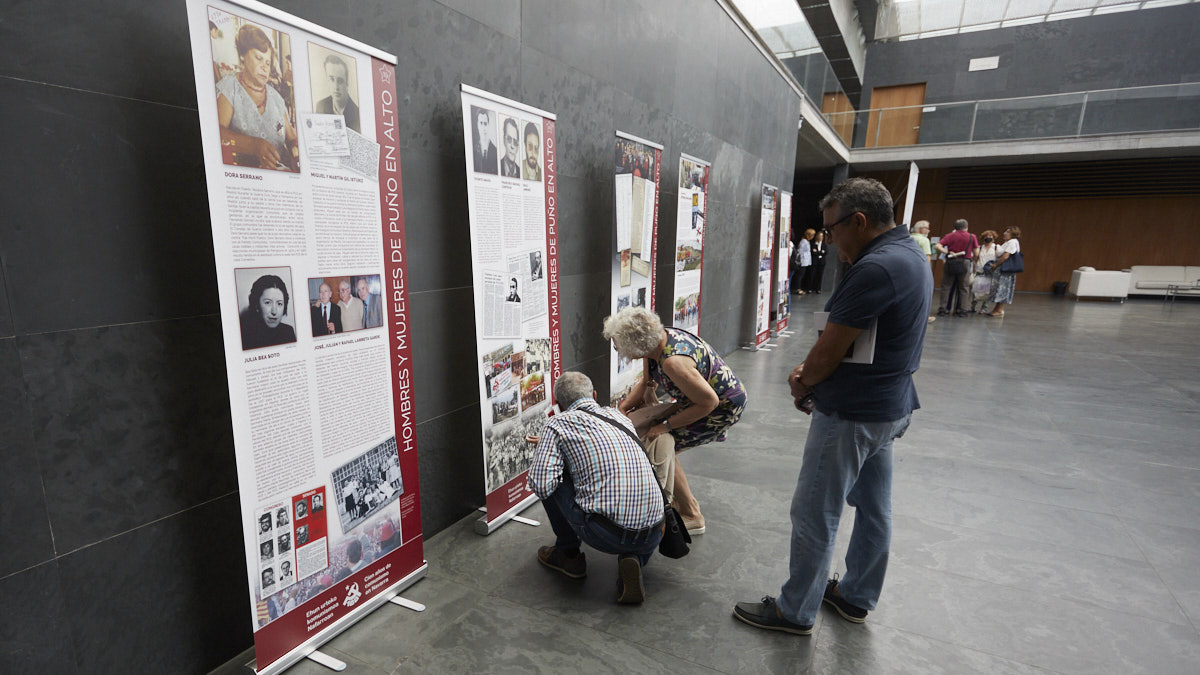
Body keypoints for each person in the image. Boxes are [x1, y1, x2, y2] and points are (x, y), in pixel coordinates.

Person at [733, 177, 931, 636]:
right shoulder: (909, 255)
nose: (829, 237)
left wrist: (803, 382)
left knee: (815, 510)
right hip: (889, 407)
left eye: (833, 228)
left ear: (858, 221)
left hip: (853, 413)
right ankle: (855, 595)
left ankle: (794, 610)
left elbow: (830, 349)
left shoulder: (875, 268)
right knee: (875, 507)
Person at [603, 307, 747, 536]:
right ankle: (685, 504)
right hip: (698, 400)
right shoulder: (658, 340)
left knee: (666, 446)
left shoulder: (672, 362)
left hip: (721, 407)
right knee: (665, 443)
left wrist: (664, 426)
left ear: (636, 344)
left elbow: (709, 402)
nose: (616, 349)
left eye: (618, 344)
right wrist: (622, 409)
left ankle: (692, 514)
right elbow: (646, 383)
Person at [526, 371, 664, 604]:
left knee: (549, 478)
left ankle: (568, 555)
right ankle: (634, 562)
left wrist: (549, 451)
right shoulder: (618, 417)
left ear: (558, 404)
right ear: (595, 395)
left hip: (606, 534)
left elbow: (541, 485)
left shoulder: (558, 423)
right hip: (654, 531)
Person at [216, 24, 298, 171]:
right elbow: (217, 132)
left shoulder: (276, 98)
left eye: (268, 62)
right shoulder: (230, 88)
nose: (265, 67)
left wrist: (296, 155)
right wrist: (253, 145)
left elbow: (292, 138)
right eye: (259, 58)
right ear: (243, 56)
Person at [933, 219, 978, 317]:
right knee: (964, 287)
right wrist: (971, 260)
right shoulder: (972, 236)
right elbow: (976, 252)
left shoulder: (949, 236)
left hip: (951, 261)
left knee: (946, 286)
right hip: (965, 261)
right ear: (966, 226)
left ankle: (943, 309)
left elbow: (937, 246)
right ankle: (962, 310)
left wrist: (948, 253)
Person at [240, 274, 297, 350]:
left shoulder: (288, 331)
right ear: (256, 305)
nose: (274, 311)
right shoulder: (244, 335)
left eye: (279, 304)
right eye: (267, 302)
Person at [314, 53, 359, 132]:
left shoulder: (356, 114)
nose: (336, 87)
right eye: (331, 79)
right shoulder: (320, 106)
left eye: (340, 81)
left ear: (347, 83)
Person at [986, 227, 1022, 317]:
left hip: (1005, 270)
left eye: (1007, 232)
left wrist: (995, 265)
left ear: (1013, 234)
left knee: (1003, 288)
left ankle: (999, 310)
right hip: (1001, 270)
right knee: (999, 288)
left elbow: (1005, 256)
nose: (1004, 233)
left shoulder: (1012, 242)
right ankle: (997, 309)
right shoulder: (1008, 242)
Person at [972, 230, 999, 314]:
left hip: (990, 271)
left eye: (991, 236)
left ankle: (984, 308)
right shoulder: (980, 247)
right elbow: (975, 259)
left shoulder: (996, 247)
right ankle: (972, 306)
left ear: (993, 238)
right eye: (987, 236)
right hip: (979, 270)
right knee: (976, 290)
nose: (988, 237)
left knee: (987, 291)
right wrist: (974, 268)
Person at [471, 106, 498, 174]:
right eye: (481, 123)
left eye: (485, 124)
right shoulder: (473, 150)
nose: (483, 128)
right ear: (477, 125)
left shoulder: (495, 151)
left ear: (488, 125)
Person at [792, 230, 812, 295]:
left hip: (805, 261)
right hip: (802, 261)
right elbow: (800, 251)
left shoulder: (806, 241)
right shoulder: (803, 241)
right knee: (799, 275)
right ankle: (797, 288)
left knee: (801, 275)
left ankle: (798, 288)